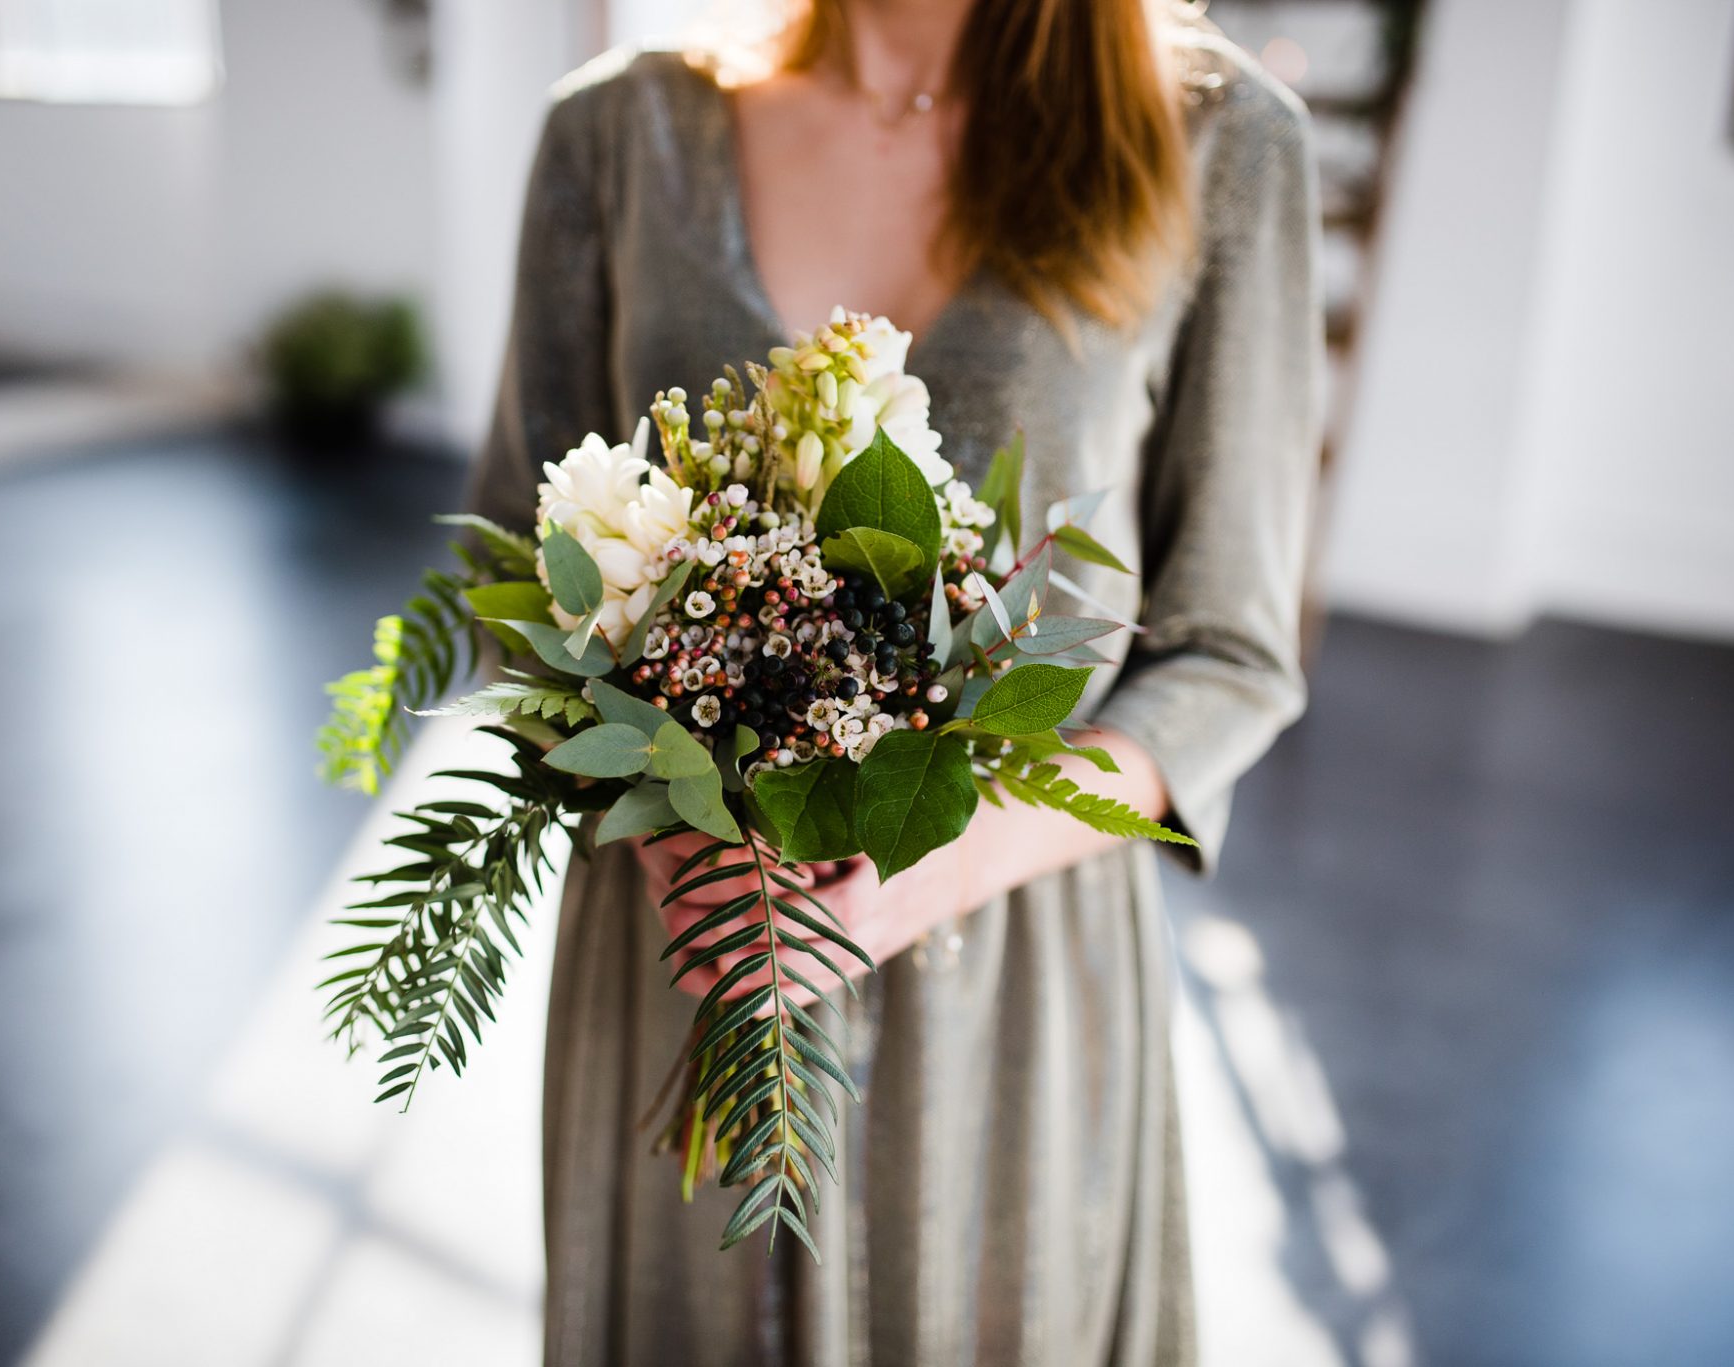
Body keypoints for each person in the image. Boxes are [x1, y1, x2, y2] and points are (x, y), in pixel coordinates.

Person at [469, 1, 1320, 1361]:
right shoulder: (618, 133)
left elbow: (1229, 656)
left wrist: (935, 868)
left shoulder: (1221, 140)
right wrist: (676, 832)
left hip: (1010, 978)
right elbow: (522, 570)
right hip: (681, 950)